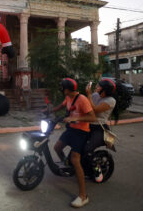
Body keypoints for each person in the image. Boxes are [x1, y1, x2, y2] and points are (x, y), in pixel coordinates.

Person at [51, 78, 96, 208]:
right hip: (71, 129)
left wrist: (75, 117)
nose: (61, 89)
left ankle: (83, 196)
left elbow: (92, 117)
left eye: (62, 87)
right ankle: (68, 166)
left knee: (75, 159)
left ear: (67, 89)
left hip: (82, 132)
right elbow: (61, 105)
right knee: (57, 147)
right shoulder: (68, 97)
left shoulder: (82, 99)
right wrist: (49, 111)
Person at [85, 79, 118, 153]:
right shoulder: (95, 95)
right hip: (88, 125)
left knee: (88, 149)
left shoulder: (111, 100)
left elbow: (95, 110)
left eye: (99, 86)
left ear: (105, 89)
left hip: (99, 128)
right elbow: (86, 105)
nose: (96, 86)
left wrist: (89, 95)